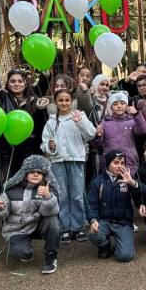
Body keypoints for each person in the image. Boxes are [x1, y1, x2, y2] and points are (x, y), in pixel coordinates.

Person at [41, 89, 96, 244]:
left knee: (78, 194)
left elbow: (91, 134)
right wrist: (49, 146)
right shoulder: (51, 121)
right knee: (62, 195)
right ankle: (64, 228)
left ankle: (78, 227)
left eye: (67, 100)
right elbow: (44, 143)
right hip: (57, 161)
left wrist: (80, 122)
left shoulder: (79, 115)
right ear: (55, 102)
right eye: (60, 100)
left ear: (71, 101)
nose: (64, 103)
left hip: (77, 160)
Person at [0, 154, 60, 274]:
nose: (35, 174)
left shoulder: (47, 189)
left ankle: (51, 258)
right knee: (20, 252)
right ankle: (26, 252)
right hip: (18, 229)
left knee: (53, 220)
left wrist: (47, 196)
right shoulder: (11, 190)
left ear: (44, 175)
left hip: (38, 226)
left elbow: (52, 212)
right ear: (25, 173)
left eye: (39, 172)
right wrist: (0, 209)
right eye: (32, 171)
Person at [0, 57, 49, 179]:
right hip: (7, 150)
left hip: (30, 148)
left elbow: (44, 82)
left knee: (30, 182)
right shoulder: (1, 97)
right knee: (10, 183)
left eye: (20, 81)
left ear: (25, 83)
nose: (16, 84)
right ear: (7, 83)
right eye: (12, 81)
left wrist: (44, 68)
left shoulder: (34, 98)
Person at [86, 150, 146, 262]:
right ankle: (104, 246)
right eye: (116, 162)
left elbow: (145, 192)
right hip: (105, 220)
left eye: (122, 163)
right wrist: (93, 219)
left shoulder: (128, 179)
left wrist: (132, 183)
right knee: (93, 234)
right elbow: (91, 204)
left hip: (123, 222)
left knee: (125, 256)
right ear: (108, 163)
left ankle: (124, 244)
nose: (119, 166)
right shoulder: (97, 182)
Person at [93, 90, 146, 177]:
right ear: (111, 107)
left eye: (122, 103)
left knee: (129, 187)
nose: (119, 106)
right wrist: (98, 136)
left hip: (129, 162)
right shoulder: (104, 123)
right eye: (115, 104)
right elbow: (97, 144)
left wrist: (137, 114)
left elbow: (143, 130)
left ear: (126, 105)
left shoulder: (132, 121)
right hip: (110, 162)